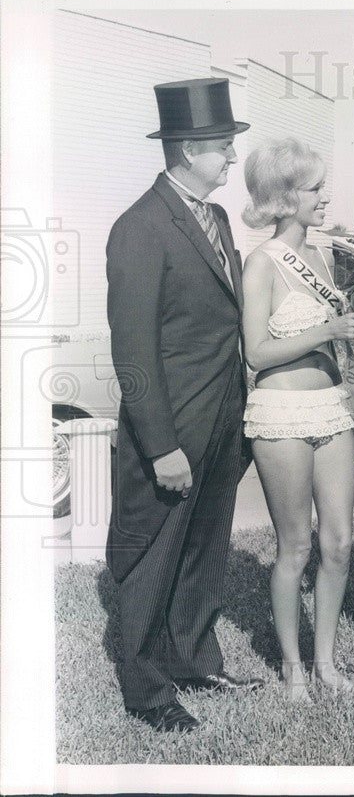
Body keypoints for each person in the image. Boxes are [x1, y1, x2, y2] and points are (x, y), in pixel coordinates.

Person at [106, 78, 263, 733]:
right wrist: (162, 444)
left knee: (204, 551)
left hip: (224, 425)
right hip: (171, 435)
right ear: (190, 149)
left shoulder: (218, 219)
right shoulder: (140, 228)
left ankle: (193, 657)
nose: (232, 160)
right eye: (224, 149)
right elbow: (135, 353)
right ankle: (146, 691)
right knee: (150, 558)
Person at [240, 139, 354, 701]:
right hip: (280, 412)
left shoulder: (325, 258)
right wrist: (327, 331)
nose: (326, 197)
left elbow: (340, 332)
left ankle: (327, 663)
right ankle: (293, 669)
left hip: (330, 407)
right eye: (316, 188)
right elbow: (256, 353)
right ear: (284, 195)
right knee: (295, 546)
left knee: (340, 543)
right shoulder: (262, 262)